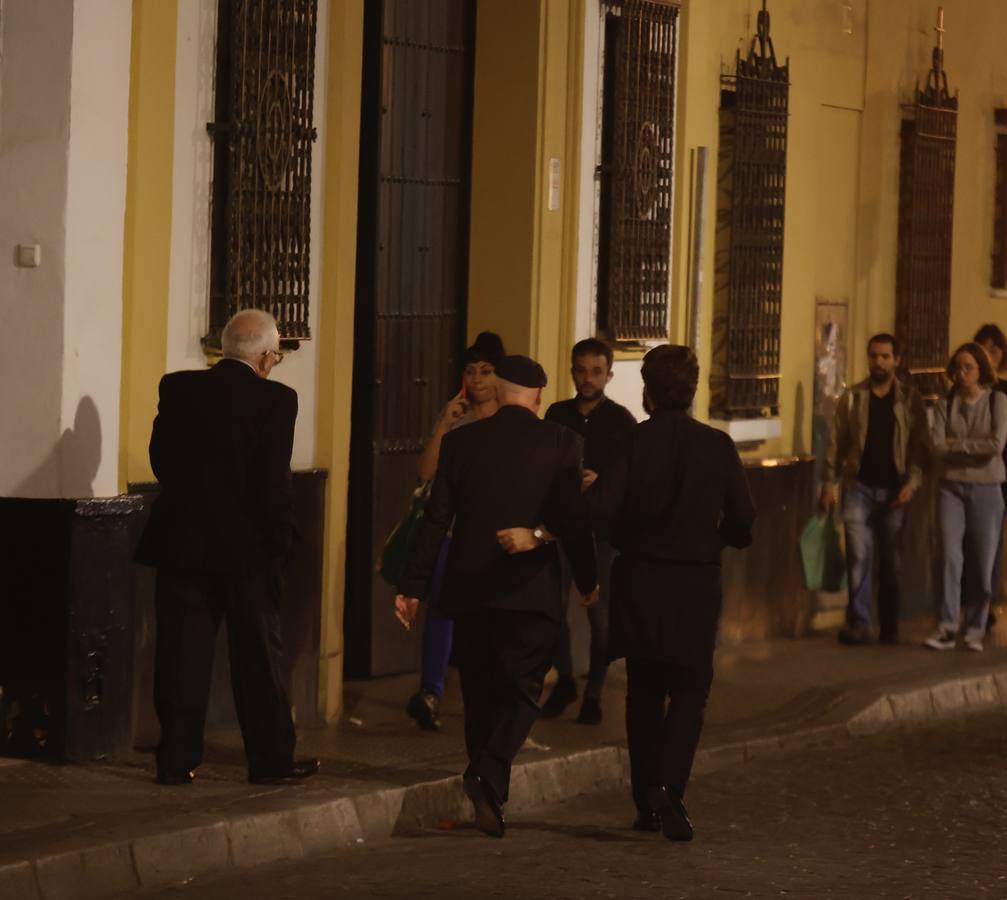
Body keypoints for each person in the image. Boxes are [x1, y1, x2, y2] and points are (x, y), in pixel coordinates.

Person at [395, 355, 597, 838]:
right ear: (539, 396)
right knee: (524, 690)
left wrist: (413, 587)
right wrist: (588, 579)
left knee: (480, 691)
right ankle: (487, 772)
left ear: (500, 391)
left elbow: (435, 520)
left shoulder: (461, 443)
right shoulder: (563, 442)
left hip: (470, 588)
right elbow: (572, 519)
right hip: (530, 590)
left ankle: (487, 787)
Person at [135, 309, 319, 786]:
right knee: (258, 658)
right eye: (275, 357)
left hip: (183, 545)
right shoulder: (276, 400)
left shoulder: (178, 388)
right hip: (248, 552)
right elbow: (272, 482)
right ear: (265, 358)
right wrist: (280, 540)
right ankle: (270, 760)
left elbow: (161, 461)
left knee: (181, 656)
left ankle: (175, 761)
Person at [588, 345, 755, 842]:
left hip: (640, 578)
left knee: (643, 691)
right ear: (693, 389)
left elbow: (603, 510)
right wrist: (718, 538)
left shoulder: (633, 442)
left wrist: (626, 537)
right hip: (694, 582)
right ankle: (668, 785)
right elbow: (744, 518)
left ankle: (646, 803)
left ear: (648, 391)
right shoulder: (717, 445)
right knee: (689, 687)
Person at [406, 332, 505, 731]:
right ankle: (430, 692)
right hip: (452, 532)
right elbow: (425, 473)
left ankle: (491, 694)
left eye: (486, 371)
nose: (478, 379)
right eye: (471, 371)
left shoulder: (510, 418)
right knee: (441, 610)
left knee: (491, 616)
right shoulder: (456, 417)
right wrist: (445, 425)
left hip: (496, 535)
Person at [541, 338, 636, 725]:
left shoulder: (622, 422)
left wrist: (602, 483)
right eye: (581, 370)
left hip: (601, 535)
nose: (588, 379)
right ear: (572, 371)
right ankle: (564, 680)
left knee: (600, 617)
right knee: (551, 611)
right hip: (560, 529)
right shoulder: (556, 415)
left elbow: (632, 479)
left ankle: (594, 692)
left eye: (596, 372)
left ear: (609, 375)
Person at [820, 334, 929, 645]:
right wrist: (829, 483)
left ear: (897, 360)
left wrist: (912, 483)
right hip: (859, 487)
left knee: (891, 560)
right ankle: (860, 622)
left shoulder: (909, 400)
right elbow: (836, 441)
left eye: (885, 356)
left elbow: (920, 446)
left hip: (895, 491)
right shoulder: (854, 397)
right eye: (874, 356)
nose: (878, 362)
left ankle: (889, 625)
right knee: (858, 555)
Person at [925, 342, 1007, 652]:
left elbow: (996, 444)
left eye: (968, 367)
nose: (962, 374)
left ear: (981, 369)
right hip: (952, 486)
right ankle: (946, 626)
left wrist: (957, 445)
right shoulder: (946, 404)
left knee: (982, 561)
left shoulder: (997, 401)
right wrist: (971, 446)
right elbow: (937, 445)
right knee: (949, 555)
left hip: (987, 487)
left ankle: (975, 627)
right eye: (958, 367)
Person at [974, 323, 1007, 629]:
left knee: (993, 543)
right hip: (973, 475)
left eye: (994, 351)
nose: (988, 356)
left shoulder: (1003, 391)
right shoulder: (966, 391)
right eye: (982, 350)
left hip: (1001, 474)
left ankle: (986, 604)